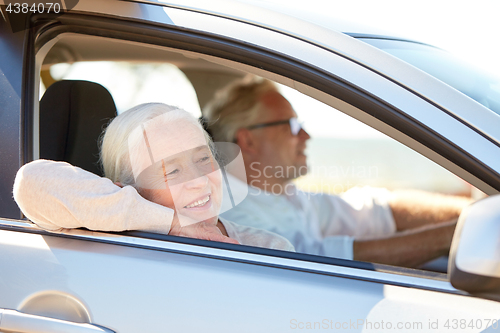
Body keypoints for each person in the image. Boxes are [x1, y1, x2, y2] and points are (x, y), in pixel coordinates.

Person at [202, 75, 473, 267]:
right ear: (248, 140)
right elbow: (309, 258)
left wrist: (471, 214)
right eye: (292, 126)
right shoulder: (225, 209)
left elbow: (376, 210)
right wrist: (458, 233)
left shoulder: (286, 195)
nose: (306, 135)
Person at [13, 103, 294, 252]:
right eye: (171, 171)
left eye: (203, 159)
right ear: (127, 190)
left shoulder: (267, 247)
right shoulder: (101, 236)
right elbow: (32, 183)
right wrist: (172, 225)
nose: (199, 180)